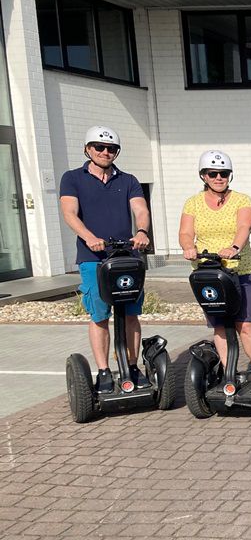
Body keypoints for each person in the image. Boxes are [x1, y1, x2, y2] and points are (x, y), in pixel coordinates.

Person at [59, 126, 153, 393]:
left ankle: (133, 367)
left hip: (126, 256)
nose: (105, 152)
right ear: (87, 149)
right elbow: (69, 213)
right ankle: (103, 371)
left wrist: (142, 231)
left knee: (131, 315)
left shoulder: (128, 180)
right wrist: (89, 237)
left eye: (111, 148)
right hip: (93, 258)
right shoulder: (72, 178)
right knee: (100, 315)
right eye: (99, 147)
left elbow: (140, 209)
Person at [178, 150, 251, 394]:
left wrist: (234, 247)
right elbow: (186, 231)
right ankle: (230, 374)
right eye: (213, 173)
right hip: (209, 273)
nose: (219, 177)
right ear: (203, 176)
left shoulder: (242, 200)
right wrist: (188, 247)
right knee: (219, 326)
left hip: (241, 271)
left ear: (230, 175)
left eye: (223, 173)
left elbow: (244, 226)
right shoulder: (193, 202)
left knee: (245, 324)